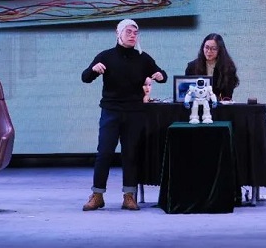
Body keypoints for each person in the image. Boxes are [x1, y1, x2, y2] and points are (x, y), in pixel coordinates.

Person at [81, 19, 166, 211]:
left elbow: (162, 75)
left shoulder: (143, 58)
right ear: (118, 33)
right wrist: (94, 70)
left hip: (134, 113)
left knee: (131, 154)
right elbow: (85, 77)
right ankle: (97, 195)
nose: (132, 35)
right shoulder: (106, 56)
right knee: (104, 152)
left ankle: (129, 196)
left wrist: (160, 76)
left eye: (135, 33)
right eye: (128, 32)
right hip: (111, 111)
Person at [184, 33, 239, 101]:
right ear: (202, 48)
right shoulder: (192, 66)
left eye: (213, 49)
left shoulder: (228, 68)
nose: (209, 51)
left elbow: (227, 96)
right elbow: (187, 90)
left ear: (220, 50)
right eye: (206, 47)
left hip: (219, 105)